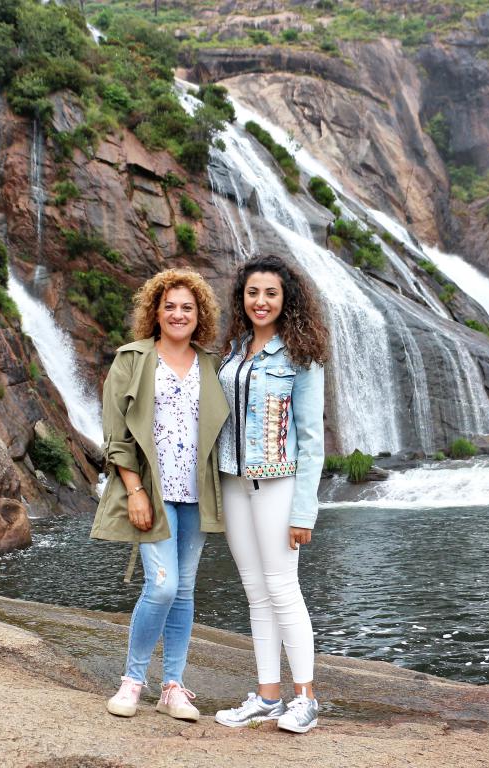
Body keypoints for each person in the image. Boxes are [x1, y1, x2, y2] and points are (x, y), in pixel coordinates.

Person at [91, 268, 229, 722]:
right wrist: (134, 490)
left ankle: (173, 687)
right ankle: (132, 681)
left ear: (200, 314)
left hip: (197, 493)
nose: (178, 314)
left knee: (184, 589)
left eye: (187, 307)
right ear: (155, 311)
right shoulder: (132, 359)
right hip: (152, 491)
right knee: (163, 585)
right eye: (169, 306)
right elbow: (116, 436)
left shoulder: (211, 365)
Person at [213, 255, 330, 734]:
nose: (260, 301)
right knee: (256, 593)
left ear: (287, 299)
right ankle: (267, 698)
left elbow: (313, 440)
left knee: (283, 588)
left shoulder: (301, 356)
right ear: (242, 298)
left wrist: (304, 511)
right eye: (252, 293)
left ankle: (306, 699)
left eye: (270, 293)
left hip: (278, 484)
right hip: (234, 483)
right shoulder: (235, 351)